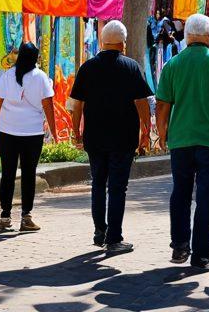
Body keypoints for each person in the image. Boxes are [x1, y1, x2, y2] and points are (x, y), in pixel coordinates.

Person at [155, 12, 209, 272]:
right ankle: (201, 255)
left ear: (188, 35)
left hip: (181, 139)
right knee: (207, 196)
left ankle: (180, 246)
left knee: (180, 192)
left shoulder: (173, 64)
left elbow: (162, 105)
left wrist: (162, 134)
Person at [70, 19, 152, 253]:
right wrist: (146, 129)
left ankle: (99, 231)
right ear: (123, 43)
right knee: (117, 187)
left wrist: (76, 132)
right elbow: (142, 101)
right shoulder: (130, 67)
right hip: (123, 137)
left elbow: (77, 104)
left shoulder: (87, 67)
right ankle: (114, 238)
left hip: (94, 136)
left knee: (98, 183)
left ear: (103, 41)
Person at [0, 41, 57, 233]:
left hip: (6, 132)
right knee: (29, 175)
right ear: (35, 58)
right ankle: (26, 217)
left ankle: (5, 217)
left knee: (7, 174)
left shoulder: (7, 76)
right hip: (32, 134)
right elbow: (48, 106)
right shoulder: (41, 77)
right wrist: (54, 131)